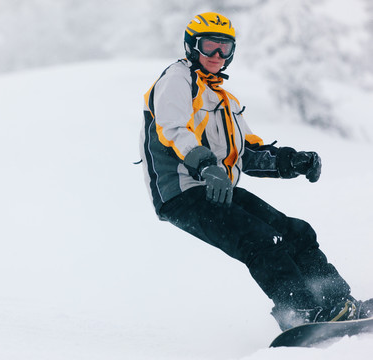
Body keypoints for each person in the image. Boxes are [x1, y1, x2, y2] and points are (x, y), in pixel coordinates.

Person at [139, 11, 372, 331]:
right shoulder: (177, 81)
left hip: (217, 188)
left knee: (296, 233)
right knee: (262, 240)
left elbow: (247, 152)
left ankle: (337, 303)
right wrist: (207, 165)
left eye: (225, 49)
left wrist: (291, 161)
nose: (217, 56)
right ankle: (300, 312)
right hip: (182, 193)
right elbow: (173, 130)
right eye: (210, 47)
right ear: (192, 46)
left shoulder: (223, 97)